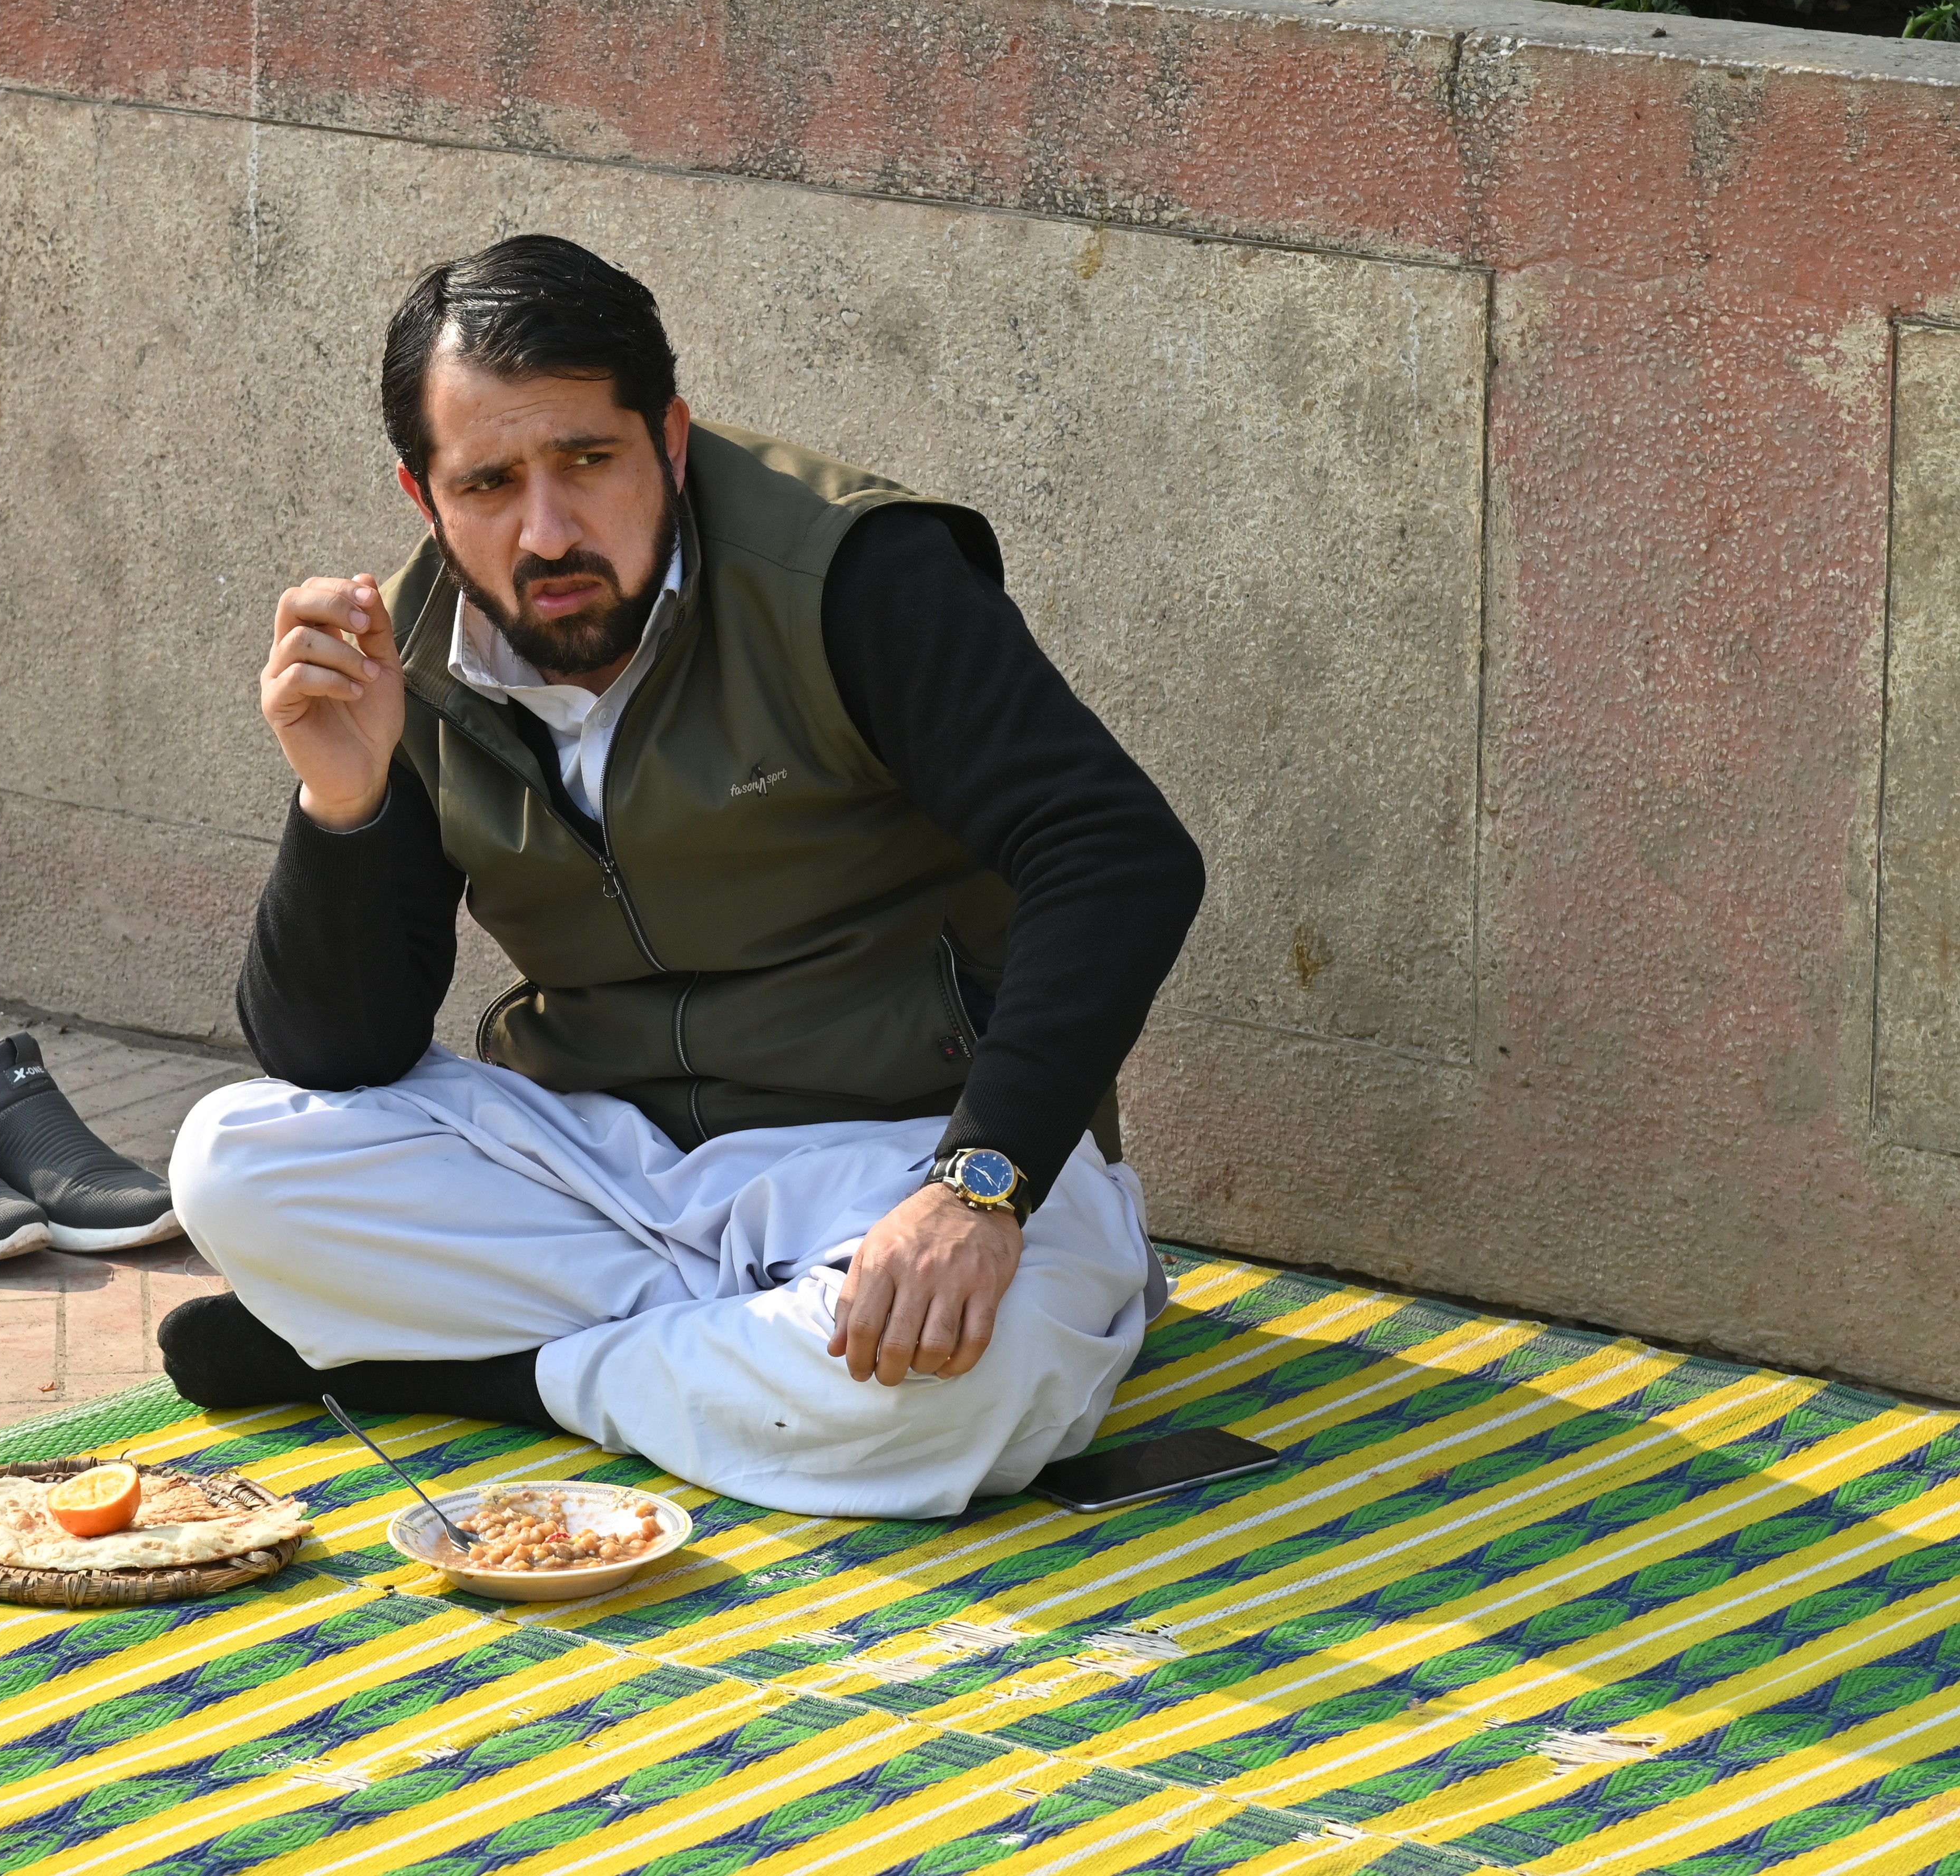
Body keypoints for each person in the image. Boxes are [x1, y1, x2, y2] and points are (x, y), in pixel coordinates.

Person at [157, 235, 1207, 1519]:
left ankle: (466, 1371)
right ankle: (728, 1355)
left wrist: (980, 1186)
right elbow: (339, 1050)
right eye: (488, 483)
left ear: (670, 435)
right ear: (422, 492)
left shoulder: (850, 574)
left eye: (588, 462)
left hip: (903, 1156)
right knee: (229, 1161)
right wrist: (345, 797)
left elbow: (1116, 852)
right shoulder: (408, 649)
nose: (546, 530)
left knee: (960, 1398)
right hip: (622, 1168)